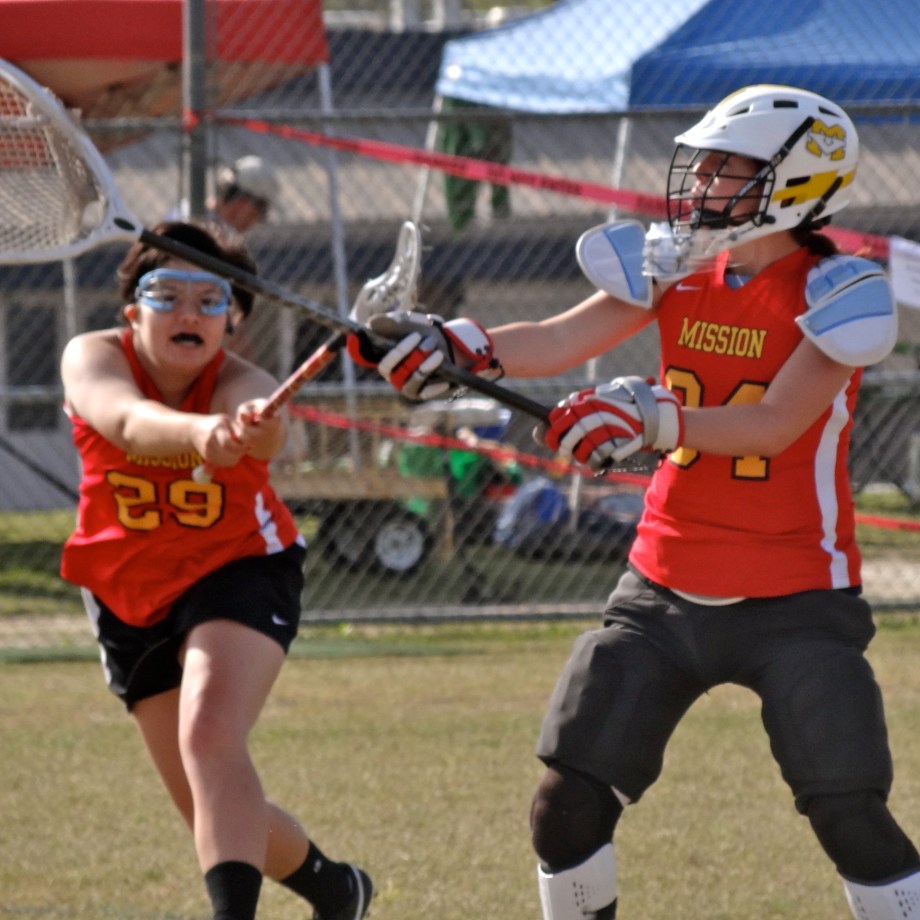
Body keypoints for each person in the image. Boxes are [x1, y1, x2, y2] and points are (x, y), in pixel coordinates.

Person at [349, 85, 918, 919]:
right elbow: (559, 338)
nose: (704, 182)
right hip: (663, 587)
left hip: (796, 595)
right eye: (705, 164)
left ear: (797, 182)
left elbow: (773, 425)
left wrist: (653, 417)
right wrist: (461, 345)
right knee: (565, 809)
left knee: (850, 815)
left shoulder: (840, 291)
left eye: (730, 167)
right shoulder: (675, 264)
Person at [59, 220, 373, 920]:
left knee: (209, 736)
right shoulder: (91, 356)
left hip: (238, 568)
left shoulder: (245, 383)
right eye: (166, 294)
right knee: (208, 803)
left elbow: (269, 431)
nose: (190, 312)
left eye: (211, 299)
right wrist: (201, 432)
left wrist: (255, 426)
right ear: (132, 311)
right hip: (125, 590)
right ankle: (337, 889)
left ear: (232, 319)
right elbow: (125, 422)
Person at [170, 155, 279, 235]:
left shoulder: (224, 234)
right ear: (242, 202)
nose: (257, 221)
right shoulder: (186, 219)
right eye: (261, 208)